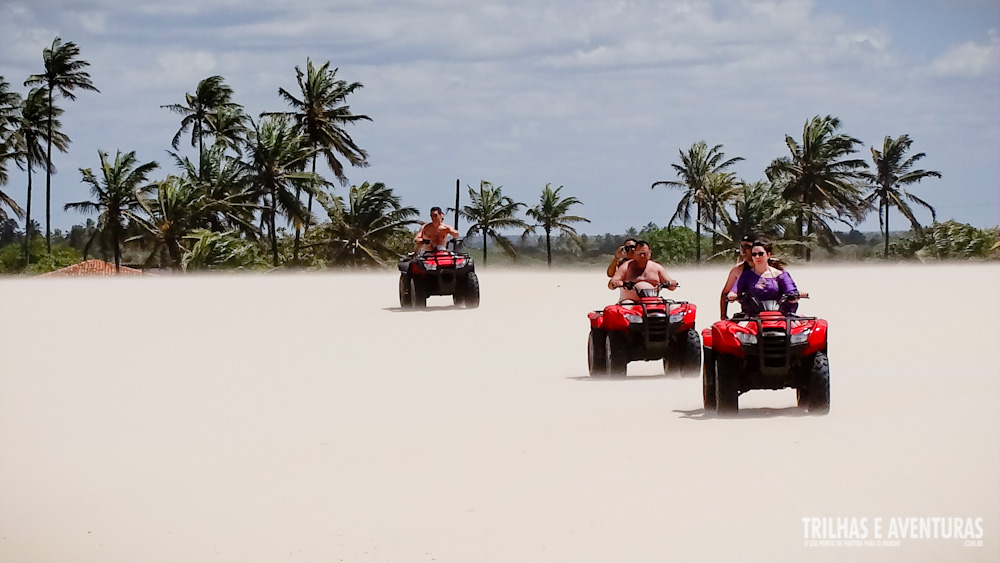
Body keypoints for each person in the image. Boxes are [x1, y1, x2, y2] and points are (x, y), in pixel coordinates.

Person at [726, 240, 801, 316]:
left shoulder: (781, 275)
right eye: (754, 254)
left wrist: (795, 296)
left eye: (761, 254)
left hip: (780, 316)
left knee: (799, 326)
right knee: (738, 326)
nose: (757, 257)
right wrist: (732, 294)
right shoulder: (746, 275)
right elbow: (735, 289)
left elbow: (791, 290)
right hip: (752, 316)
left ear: (768, 255)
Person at [609, 241, 678, 301]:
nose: (642, 256)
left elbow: (670, 285)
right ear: (635, 253)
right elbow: (611, 284)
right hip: (629, 303)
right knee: (625, 309)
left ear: (650, 253)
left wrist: (673, 283)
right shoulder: (626, 267)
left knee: (671, 309)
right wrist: (616, 283)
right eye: (639, 253)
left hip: (653, 302)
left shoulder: (657, 267)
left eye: (644, 253)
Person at [719, 234, 755, 319]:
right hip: (748, 314)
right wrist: (723, 316)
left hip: (772, 313)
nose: (743, 250)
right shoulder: (738, 269)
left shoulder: (772, 268)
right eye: (742, 247)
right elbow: (725, 293)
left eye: (747, 247)